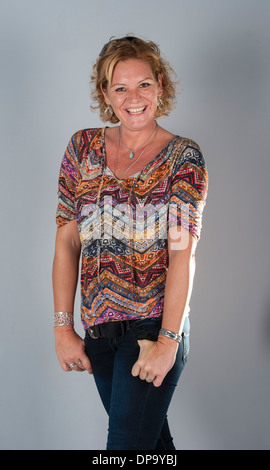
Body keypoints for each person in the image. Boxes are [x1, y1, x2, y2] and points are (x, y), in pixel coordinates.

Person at [52, 35, 208, 450]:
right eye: (120, 87)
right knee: (152, 450)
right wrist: (64, 329)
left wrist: (168, 341)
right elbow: (67, 242)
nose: (133, 97)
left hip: (152, 330)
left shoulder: (182, 158)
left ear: (160, 85)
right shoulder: (82, 149)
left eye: (143, 84)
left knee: (125, 449)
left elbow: (182, 255)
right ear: (105, 93)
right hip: (99, 334)